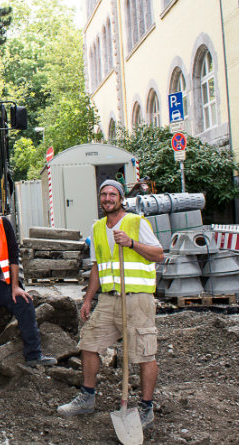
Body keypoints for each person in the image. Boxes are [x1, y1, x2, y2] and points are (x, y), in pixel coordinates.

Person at [56, 179, 164, 430]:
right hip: (108, 299)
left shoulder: (137, 222)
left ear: (121, 198)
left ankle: (146, 408)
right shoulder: (97, 228)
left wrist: (132, 243)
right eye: (103, 194)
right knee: (89, 344)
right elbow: (97, 266)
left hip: (137, 299)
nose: (107, 198)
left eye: (112, 194)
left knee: (144, 353)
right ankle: (87, 397)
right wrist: (87, 299)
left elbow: (159, 254)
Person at [0, 191, 57, 398]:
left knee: (24, 303)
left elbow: (13, 255)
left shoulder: (3, 224)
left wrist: (15, 286)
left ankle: (34, 355)